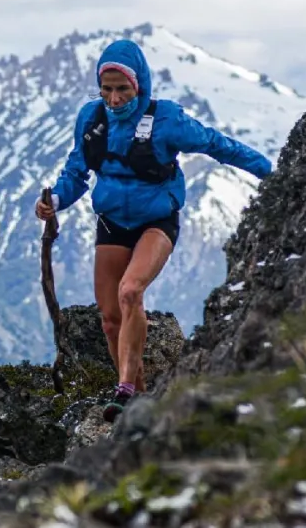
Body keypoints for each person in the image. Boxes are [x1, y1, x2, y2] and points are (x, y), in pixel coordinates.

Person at [34, 38, 272, 422]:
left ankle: (124, 389)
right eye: (106, 90)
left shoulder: (166, 121)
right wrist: (55, 201)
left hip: (156, 223)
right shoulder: (90, 119)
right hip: (112, 223)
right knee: (110, 319)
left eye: (122, 90)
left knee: (131, 292)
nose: (113, 99)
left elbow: (217, 145)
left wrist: (272, 173)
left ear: (140, 85)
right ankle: (138, 399)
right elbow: (76, 173)